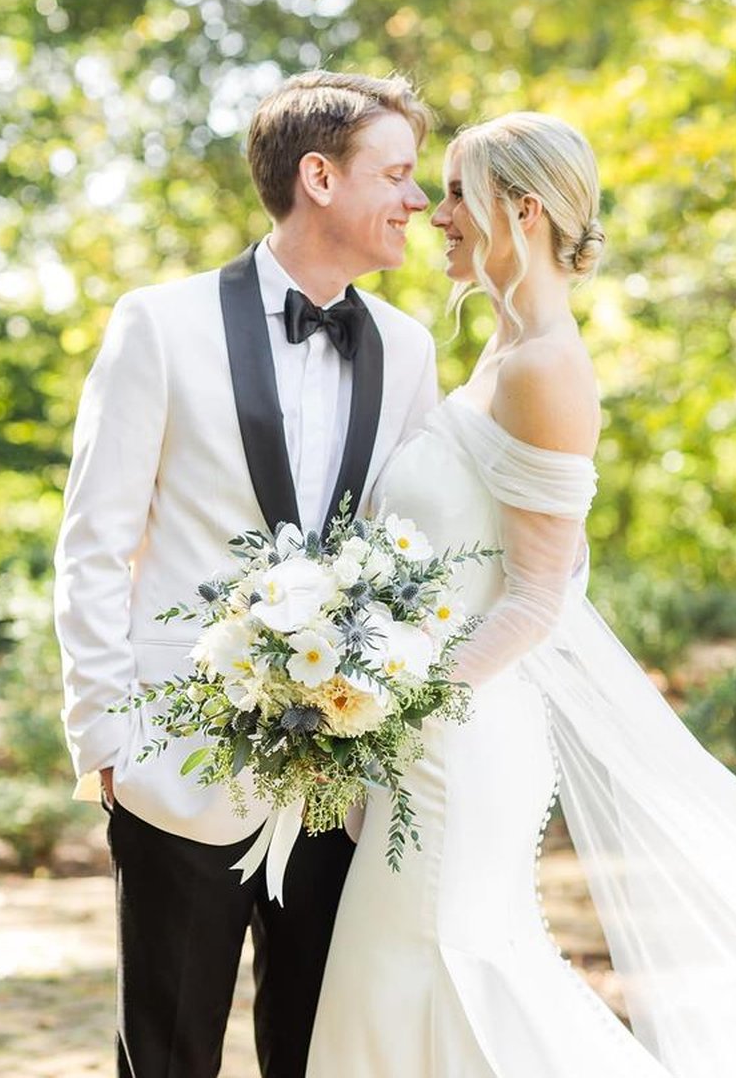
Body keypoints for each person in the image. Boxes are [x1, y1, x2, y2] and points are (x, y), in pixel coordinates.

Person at [307, 112, 736, 1077]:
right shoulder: (499, 354)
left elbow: (539, 597)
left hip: (456, 745)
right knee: (408, 995)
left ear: (524, 207)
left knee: (428, 986)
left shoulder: (548, 367)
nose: (437, 214)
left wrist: (397, 710)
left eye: (459, 192)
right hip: (425, 741)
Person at [53, 69, 438, 1078]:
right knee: (172, 1055)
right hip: (177, 769)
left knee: (317, 1055)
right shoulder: (159, 323)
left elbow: (409, 545)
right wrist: (107, 735)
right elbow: (95, 538)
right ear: (318, 176)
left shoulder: (406, 349)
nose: (418, 202)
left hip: (342, 779)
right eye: (395, 175)